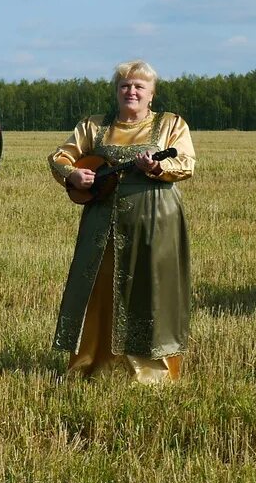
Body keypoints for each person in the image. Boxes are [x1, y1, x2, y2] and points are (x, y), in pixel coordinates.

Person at [49, 60, 195, 383]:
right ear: (116, 92)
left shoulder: (171, 125)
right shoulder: (93, 126)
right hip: (103, 221)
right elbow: (59, 157)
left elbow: (186, 163)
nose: (131, 91)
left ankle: (150, 371)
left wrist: (156, 169)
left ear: (151, 94)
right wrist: (73, 173)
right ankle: (93, 364)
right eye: (125, 86)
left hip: (155, 220)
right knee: (99, 289)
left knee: (152, 290)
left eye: (139, 86)